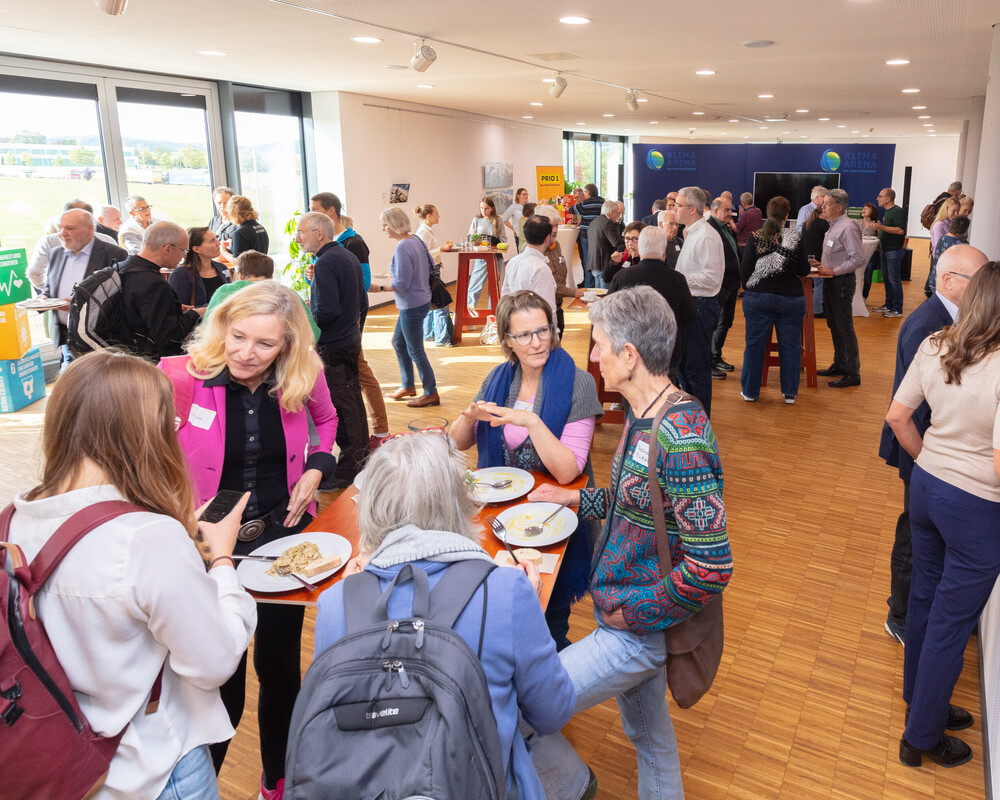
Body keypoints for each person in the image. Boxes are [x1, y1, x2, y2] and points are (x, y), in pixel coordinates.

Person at [5, 349, 256, 800]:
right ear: (145, 433)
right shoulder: (147, 538)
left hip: (64, 766)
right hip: (153, 769)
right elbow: (213, 663)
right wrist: (220, 562)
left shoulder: (13, 520)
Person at [529, 286, 732, 800]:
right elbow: (635, 502)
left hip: (635, 629)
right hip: (623, 610)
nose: (592, 356)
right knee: (649, 736)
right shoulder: (641, 414)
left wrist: (633, 614)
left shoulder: (680, 435)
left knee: (526, 704)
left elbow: (711, 566)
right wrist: (576, 500)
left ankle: (572, 785)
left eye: (597, 344)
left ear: (629, 355)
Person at [314, 432, 576, 799]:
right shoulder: (506, 592)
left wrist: (352, 595)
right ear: (459, 502)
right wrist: (525, 607)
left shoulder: (334, 603)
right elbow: (553, 713)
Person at [160, 280, 337, 799]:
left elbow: (326, 421)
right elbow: (144, 452)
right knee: (223, 679)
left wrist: (317, 466)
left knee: (280, 669)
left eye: (265, 344)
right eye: (238, 337)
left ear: (287, 344)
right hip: (206, 548)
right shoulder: (179, 377)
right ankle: (199, 789)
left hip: (279, 537)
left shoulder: (303, 370)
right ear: (221, 327)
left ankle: (276, 783)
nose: (246, 353)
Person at [885, 260, 1000, 769]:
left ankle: (921, 702)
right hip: (974, 505)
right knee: (951, 624)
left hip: (927, 489)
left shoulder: (938, 343)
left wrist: (928, 459)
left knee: (926, 604)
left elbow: (897, 416)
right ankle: (921, 737)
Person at [450, 289, 602, 648]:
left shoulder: (577, 384)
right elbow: (457, 442)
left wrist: (531, 421)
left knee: (547, 628)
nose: (537, 342)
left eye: (543, 330)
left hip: (552, 527)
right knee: (502, 623)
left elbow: (568, 471)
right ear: (508, 340)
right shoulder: (499, 380)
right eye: (524, 335)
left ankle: (549, 695)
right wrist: (467, 416)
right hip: (502, 523)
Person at [877, 245, 988, 649]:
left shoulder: (948, 320)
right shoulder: (928, 324)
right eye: (977, 283)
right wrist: (929, 461)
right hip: (920, 450)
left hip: (929, 454)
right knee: (913, 535)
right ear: (948, 281)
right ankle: (901, 616)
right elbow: (909, 410)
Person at [310, 191, 390, 447]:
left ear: (330, 211)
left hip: (348, 321)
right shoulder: (326, 249)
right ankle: (367, 436)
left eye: (315, 208)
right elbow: (323, 287)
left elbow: (363, 283)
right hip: (344, 321)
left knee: (359, 375)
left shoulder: (353, 243)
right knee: (355, 378)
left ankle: (379, 431)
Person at [297, 211, 370, 489]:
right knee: (352, 401)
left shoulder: (327, 262)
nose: (298, 238)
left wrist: (304, 323)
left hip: (333, 344)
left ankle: (349, 469)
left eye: (302, 232)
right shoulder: (346, 256)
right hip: (349, 339)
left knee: (341, 404)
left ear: (319, 234)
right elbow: (361, 301)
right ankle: (361, 459)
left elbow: (326, 311)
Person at [608, 226, 709, 411]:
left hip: (631, 353)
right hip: (667, 354)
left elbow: (609, 318)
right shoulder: (677, 279)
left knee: (633, 403)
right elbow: (689, 320)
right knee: (660, 403)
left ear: (642, 248)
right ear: (664, 250)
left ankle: (633, 435)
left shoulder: (623, 277)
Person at [738, 196, 810, 404]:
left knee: (754, 345)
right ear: (787, 215)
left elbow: (745, 271)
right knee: (791, 345)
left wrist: (752, 286)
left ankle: (750, 392)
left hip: (758, 298)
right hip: (790, 298)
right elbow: (804, 270)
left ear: (767, 214)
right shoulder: (795, 238)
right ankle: (789, 394)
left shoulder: (756, 236)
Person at [40, 208, 127, 371]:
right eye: (60, 228)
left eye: (70, 228)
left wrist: (77, 305)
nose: (62, 233)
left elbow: (123, 299)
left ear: (90, 228)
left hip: (101, 339)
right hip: (67, 337)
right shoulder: (55, 254)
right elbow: (50, 288)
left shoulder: (114, 254)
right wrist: (44, 298)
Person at [373, 206, 439, 407]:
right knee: (399, 343)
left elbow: (401, 284)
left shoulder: (403, 247)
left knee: (416, 350)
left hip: (412, 304)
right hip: (419, 300)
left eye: (385, 225)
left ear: (393, 225)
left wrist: (378, 287)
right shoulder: (415, 240)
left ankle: (431, 392)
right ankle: (408, 385)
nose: (383, 229)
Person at [119, 221, 204, 359]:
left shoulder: (122, 268)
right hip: (148, 361)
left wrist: (170, 308)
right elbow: (168, 336)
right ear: (168, 249)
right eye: (183, 250)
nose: (184, 256)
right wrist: (195, 314)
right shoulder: (154, 284)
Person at [674, 186, 724, 414]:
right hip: (691, 305)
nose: (674, 209)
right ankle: (692, 418)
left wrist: (679, 278)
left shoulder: (705, 236)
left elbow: (711, 278)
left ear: (692, 209)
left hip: (701, 307)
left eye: (678, 205)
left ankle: (701, 421)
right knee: (684, 366)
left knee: (697, 368)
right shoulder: (692, 233)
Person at [810, 189, 865, 387]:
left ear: (839, 207)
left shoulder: (848, 227)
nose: (822, 206)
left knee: (844, 327)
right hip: (831, 281)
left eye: (827, 204)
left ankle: (852, 373)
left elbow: (859, 258)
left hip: (841, 282)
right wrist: (822, 265)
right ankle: (840, 364)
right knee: (834, 325)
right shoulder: (833, 225)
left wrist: (834, 270)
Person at [206, 249, 320, 341]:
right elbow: (313, 334)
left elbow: (206, 330)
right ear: (272, 275)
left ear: (240, 275)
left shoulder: (225, 291)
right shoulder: (288, 294)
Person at [533, 203, 584, 336]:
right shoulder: (532, 252)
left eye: (556, 225)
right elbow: (549, 285)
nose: (555, 230)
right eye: (551, 226)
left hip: (557, 310)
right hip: (540, 315)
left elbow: (559, 278)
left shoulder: (556, 246)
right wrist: (574, 292)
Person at [707, 196, 741, 377]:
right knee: (713, 323)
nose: (731, 213)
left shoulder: (725, 227)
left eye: (731, 210)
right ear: (715, 210)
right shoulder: (711, 229)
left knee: (726, 322)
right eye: (727, 210)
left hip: (731, 284)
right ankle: (709, 361)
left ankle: (716, 355)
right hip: (719, 285)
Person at [414, 202, 455, 347]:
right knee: (440, 303)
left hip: (431, 270)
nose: (439, 216)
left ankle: (428, 335)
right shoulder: (424, 232)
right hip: (430, 271)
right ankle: (442, 338)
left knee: (431, 303)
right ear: (429, 216)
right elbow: (422, 255)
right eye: (436, 213)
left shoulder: (426, 230)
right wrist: (442, 249)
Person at [501, 215, 559, 313]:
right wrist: (553, 328)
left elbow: (505, 295)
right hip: (534, 323)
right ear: (547, 238)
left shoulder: (512, 262)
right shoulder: (541, 268)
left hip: (515, 320)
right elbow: (548, 308)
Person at [168, 227, 231, 309]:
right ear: (196, 249)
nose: (218, 243)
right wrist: (208, 309)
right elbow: (177, 309)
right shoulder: (181, 274)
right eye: (212, 241)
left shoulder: (222, 268)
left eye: (216, 238)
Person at [466, 196, 508, 315]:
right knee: (474, 288)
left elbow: (503, 240)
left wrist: (490, 240)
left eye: (486, 208)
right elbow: (469, 238)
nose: (483, 211)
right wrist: (473, 237)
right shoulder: (476, 220)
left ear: (492, 209)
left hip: (496, 258)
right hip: (481, 259)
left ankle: (493, 316)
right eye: (481, 208)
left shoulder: (498, 220)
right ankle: (469, 315)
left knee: (494, 289)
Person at [873, 188, 907, 318]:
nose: (878, 198)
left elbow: (900, 230)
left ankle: (897, 309)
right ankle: (888, 305)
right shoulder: (888, 212)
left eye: (880, 196)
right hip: (886, 250)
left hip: (894, 250)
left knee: (894, 280)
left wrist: (881, 227)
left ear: (888, 199)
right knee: (887, 279)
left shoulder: (897, 211)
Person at [796, 186, 829, 315]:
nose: (825, 199)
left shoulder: (814, 219)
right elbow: (799, 229)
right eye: (823, 197)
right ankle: (816, 309)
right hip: (814, 252)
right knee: (818, 281)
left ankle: (811, 308)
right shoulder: (805, 210)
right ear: (817, 197)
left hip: (809, 251)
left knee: (814, 282)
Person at [571, 183, 605, 289]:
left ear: (588, 192)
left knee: (587, 260)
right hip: (599, 235)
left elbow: (571, 210)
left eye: (585, 192)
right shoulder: (602, 201)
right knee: (599, 258)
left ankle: (588, 285)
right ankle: (597, 284)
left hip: (586, 235)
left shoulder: (585, 204)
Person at [585, 200, 623, 290]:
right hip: (604, 264)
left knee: (598, 293)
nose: (618, 216)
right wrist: (627, 239)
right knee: (605, 294)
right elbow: (615, 242)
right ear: (612, 212)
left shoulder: (593, 222)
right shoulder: (608, 223)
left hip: (594, 264)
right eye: (617, 213)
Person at [602, 220, 643, 285]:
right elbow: (606, 278)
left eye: (635, 239)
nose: (630, 243)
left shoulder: (649, 256)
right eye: (627, 239)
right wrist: (614, 263)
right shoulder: (622, 250)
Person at [856, 202, 881, 302]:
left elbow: (879, 239)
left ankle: (864, 296)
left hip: (871, 253)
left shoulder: (877, 224)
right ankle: (855, 296)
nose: (864, 210)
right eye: (864, 208)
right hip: (858, 252)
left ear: (872, 212)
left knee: (868, 274)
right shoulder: (857, 222)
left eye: (867, 209)